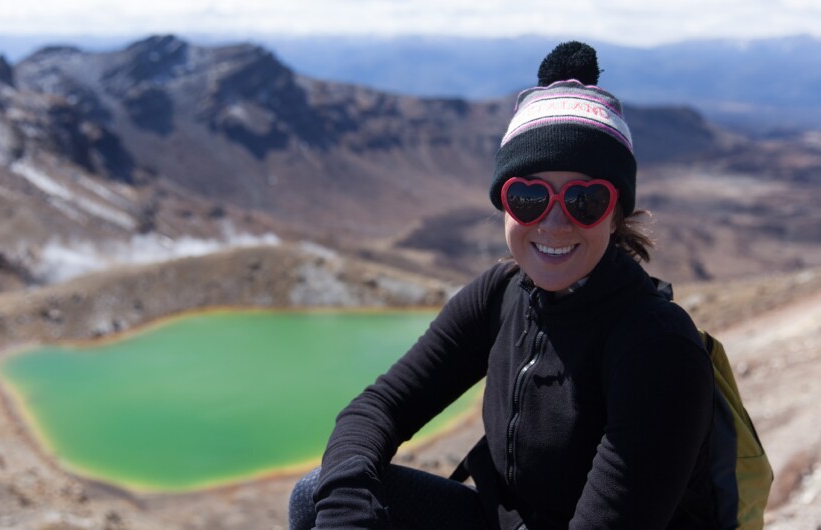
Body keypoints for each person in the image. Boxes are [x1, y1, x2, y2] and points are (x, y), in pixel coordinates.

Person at [288, 41, 717, 529]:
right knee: (315, 496)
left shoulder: (656, 348)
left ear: (616, 215)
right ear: (504, 204)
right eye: (530, 196)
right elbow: (377, 409)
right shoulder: (503, 292)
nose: (554, 224)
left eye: (584, 200)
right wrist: (347, 516)